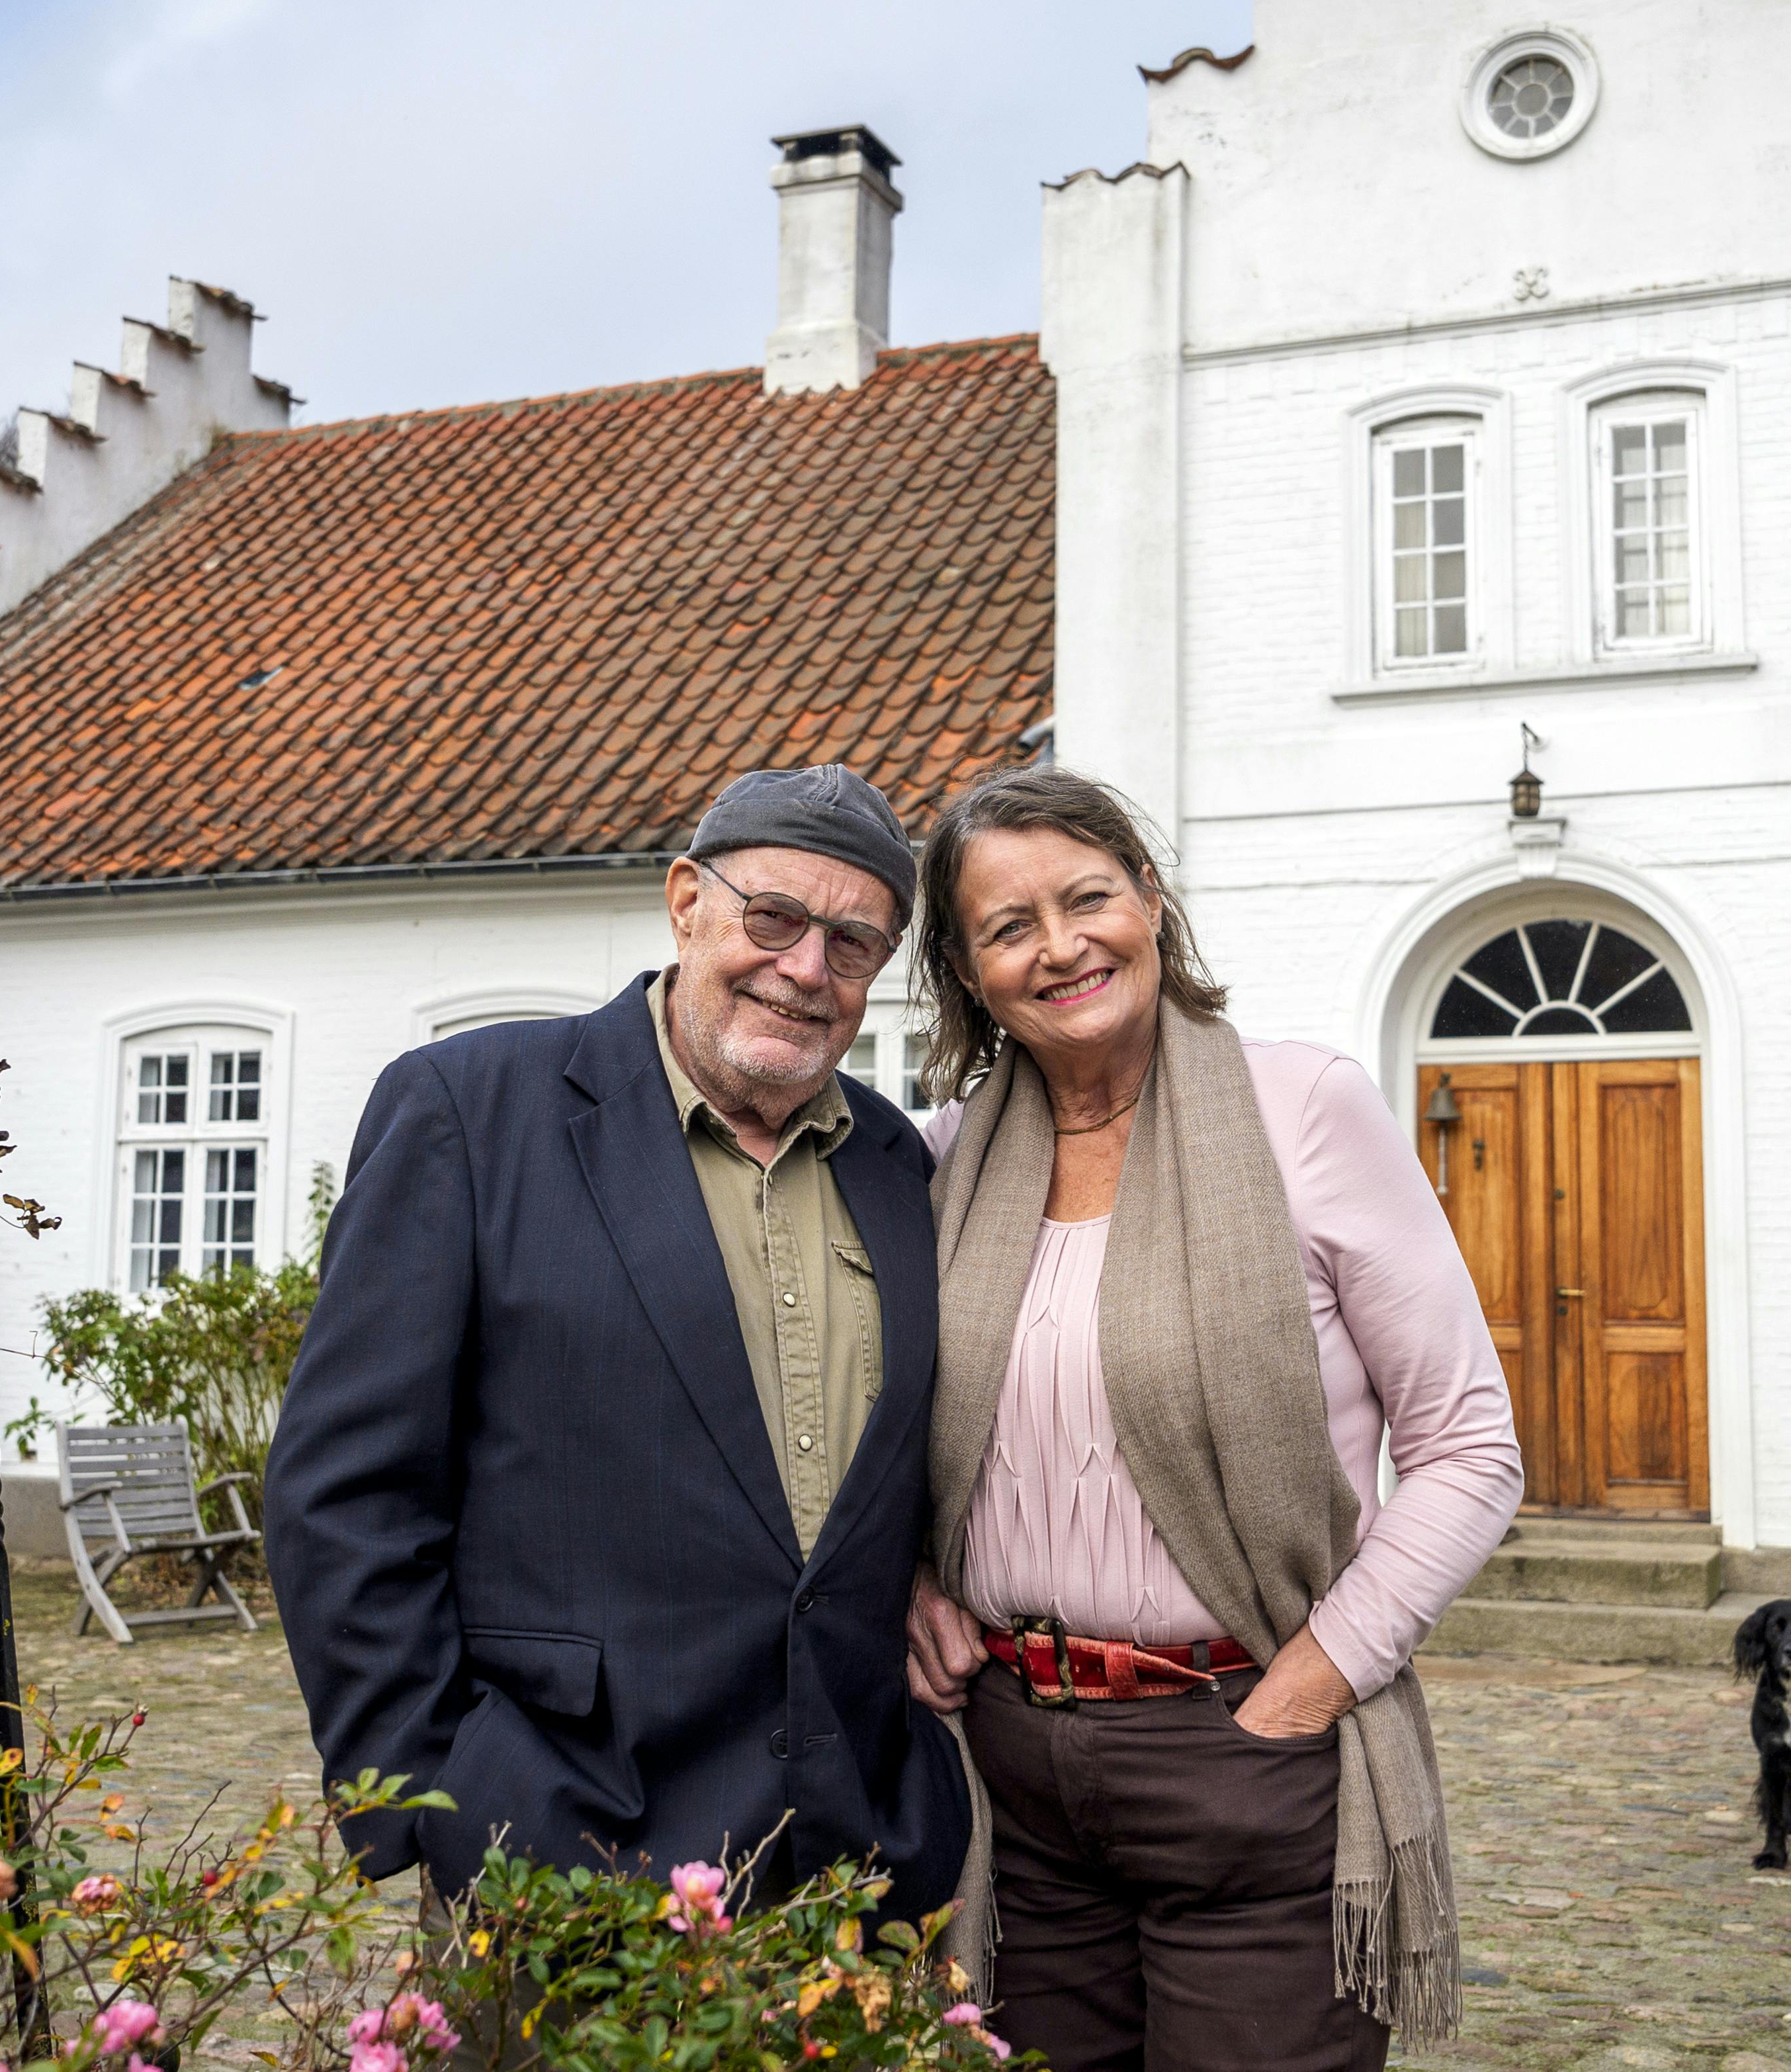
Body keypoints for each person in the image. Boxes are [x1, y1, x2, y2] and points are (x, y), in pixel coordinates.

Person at [266, 764, 968, 1922]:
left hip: (849, 1856)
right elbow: (345, 1492)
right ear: (687, 900)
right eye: (775, 917)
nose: (807, 968)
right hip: (559, 1842)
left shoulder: (897, 1164)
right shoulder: (470, 1108)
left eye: (853, 944)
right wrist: (437, 1798)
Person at [900, 766, 1523, 2072]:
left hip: (1244, 1751)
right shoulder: (947, 1157)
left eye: (1088, 898)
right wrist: (915, 1581)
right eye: (1009, 925)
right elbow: (901, 1429)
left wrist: (1311, 1681)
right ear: (965, 970)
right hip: (1009, 1778)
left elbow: (1468, 1443)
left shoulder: (1305, 1111)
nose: (1060, 945)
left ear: (1150, 900)